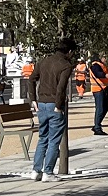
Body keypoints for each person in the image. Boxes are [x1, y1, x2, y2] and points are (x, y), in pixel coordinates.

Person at [30, 38, 77, 181]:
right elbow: (61, 88)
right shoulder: (66, 65)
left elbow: (31, 79)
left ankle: (36, 170)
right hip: (54, 104)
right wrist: (58, 106)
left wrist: (33, 99)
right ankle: (48, 172)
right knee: (54, 139)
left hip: (42, 103)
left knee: (42, 137)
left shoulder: (43, 61)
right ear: (69, 52)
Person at [87, 55, 108, 135]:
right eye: (105, 57)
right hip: (98, 90)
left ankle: (97, 125)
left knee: (105, 108)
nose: (106, 59)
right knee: (100, 108)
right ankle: (97, 127)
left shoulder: (103, 65)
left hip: (104, 89)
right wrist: (105, 75)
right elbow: (98, 73)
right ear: (101, 58)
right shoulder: (95, 65)